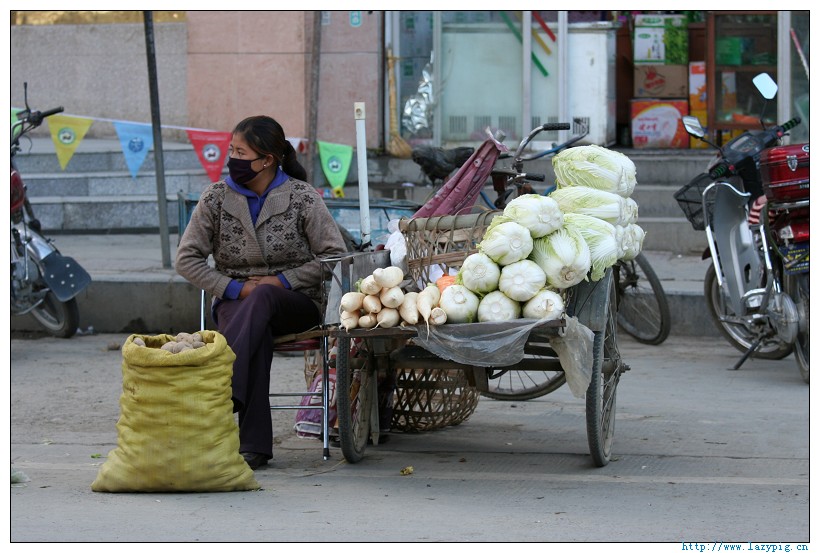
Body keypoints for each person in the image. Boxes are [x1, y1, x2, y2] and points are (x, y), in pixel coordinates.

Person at [176, 115, 348, 470]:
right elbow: (186, 259)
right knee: (256, 325)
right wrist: (236, 288)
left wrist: (282, 281)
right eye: (231, 150)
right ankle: (253, 448)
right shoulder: (215, 198)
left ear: (267, 160)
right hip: (235, 303)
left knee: (263, 297)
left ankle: (223, 389)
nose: (232, 159)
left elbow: (335, 257)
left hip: (296, 303)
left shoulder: (302, 197)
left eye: (241, 153)